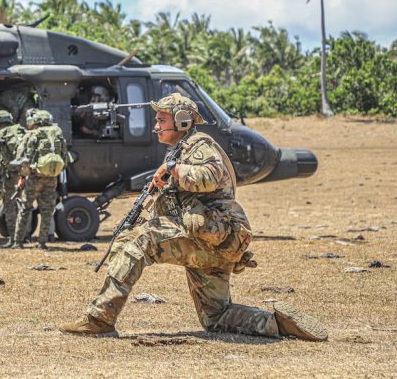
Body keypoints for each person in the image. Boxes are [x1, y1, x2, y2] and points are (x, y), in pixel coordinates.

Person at [60, 93, 327, 341]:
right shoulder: (179, 151)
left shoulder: (199, 146)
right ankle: (277, 324)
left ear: (182, 121)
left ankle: (99, 319)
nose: (156, 126)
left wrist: (173, 168)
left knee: (139, 243)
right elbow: (174, 206)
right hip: (212, 242)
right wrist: (139, 219)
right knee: (216, 317)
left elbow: (210, 177)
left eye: (161, 120)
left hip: (206, 238)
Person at [11, 109, 68, 250]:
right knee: (47, 210)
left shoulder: (32, 135)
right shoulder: (58, 133)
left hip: (34, 178)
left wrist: (22, 177)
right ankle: (42, 242)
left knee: (25, 208)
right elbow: (65, 158)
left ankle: (18, 242)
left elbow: (23, 158)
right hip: (51, 178)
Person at [0, 110, 26, 248]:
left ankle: (14, 240)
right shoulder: (22, 130)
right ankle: (24, 237)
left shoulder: (0, 134)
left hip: (10, 176)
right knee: (25, 205)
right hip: (26, 174)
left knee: (10, 207)